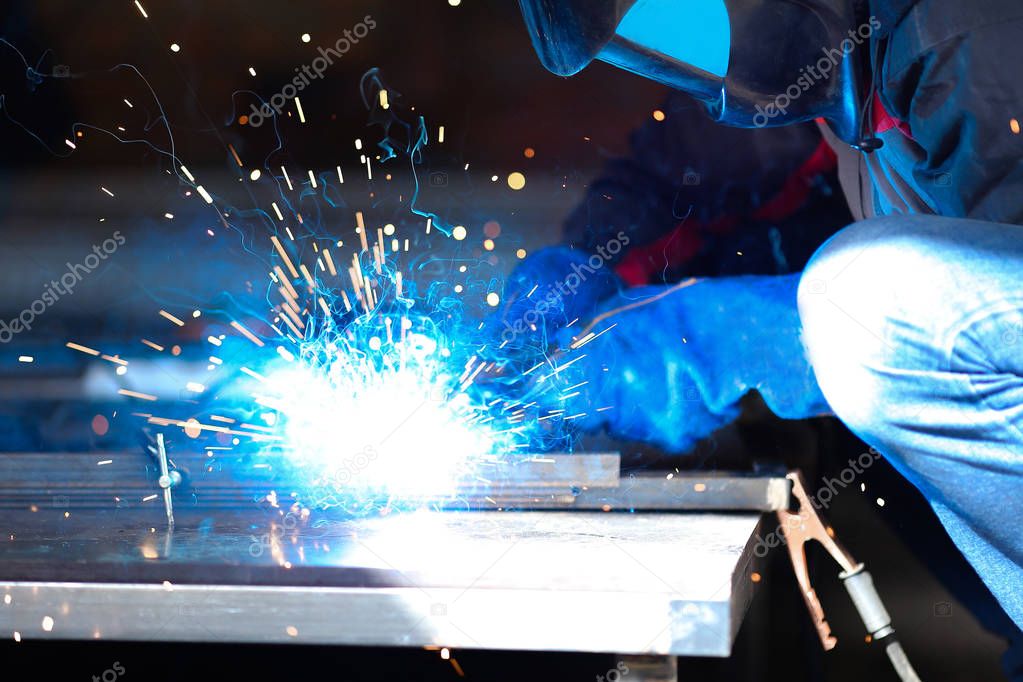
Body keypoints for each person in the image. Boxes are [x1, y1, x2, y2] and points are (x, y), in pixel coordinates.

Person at [501, 0, 1023, 646]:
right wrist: (584, 266)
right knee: (832, 350)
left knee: (857, 302)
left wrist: (738, 339)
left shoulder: (962, 35)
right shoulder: (846, 57)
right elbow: (690, 166)